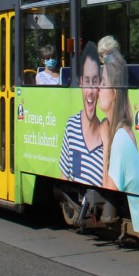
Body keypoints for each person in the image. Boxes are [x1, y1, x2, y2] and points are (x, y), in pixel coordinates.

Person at [98, 47, 139, 233]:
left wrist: (105, 146)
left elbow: (108, 190)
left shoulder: (120, 140)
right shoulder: (123, 131)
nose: (97, 89)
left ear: (115, 93)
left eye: (102, 84)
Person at [58, 41, 106, 186]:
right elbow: (64, 179)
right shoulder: (71, 126)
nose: (90, 91)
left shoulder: (107, 134)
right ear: (80, 83)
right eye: (86, 81)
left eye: (94, 81)